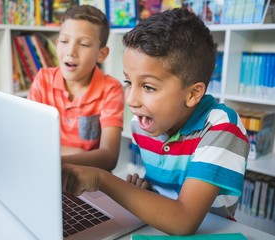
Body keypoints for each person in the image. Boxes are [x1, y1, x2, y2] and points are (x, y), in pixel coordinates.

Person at [61, 8, 249, 235]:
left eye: (148, 87)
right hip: (154, 228)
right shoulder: (144, 125)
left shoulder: (222, 127)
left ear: (192, 94)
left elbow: (183, 220)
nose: (130, 99)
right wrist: (146, 192)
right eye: (128, 82)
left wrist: (103, 180)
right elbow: (166, 195)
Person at [27, 5, 124, 171]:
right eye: (64, 41)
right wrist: (78, 152)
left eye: (84, 44)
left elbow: (109, 157)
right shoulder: (43, 79)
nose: (71, 51)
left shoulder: (111, 89)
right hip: (45, 172)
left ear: (101, 54)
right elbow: (29, 140)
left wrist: (55, 161)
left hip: (90, 180)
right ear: (57, 44)